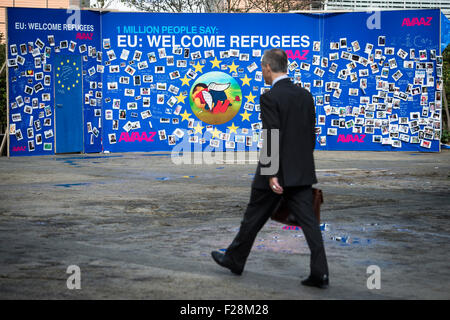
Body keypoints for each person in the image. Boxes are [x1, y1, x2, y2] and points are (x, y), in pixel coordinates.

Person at [211, 48, 329, 289]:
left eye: (262, 68)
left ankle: (234, 259)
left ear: (267, 67)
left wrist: (272, 172)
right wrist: (301, 164)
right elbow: (310, 135)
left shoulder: (270, 97)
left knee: (253, 216)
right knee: (310, 223)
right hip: (301, 171)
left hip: (274, 172)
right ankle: (321, 273)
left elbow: (271, 136)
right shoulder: (306, 96)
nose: (262, 72)